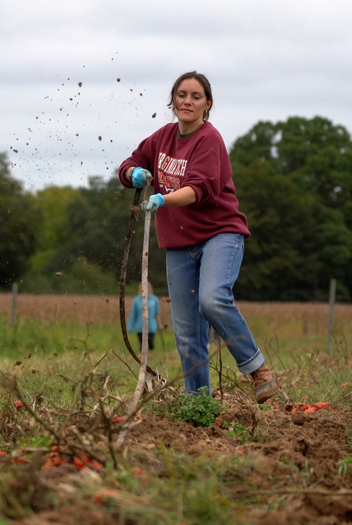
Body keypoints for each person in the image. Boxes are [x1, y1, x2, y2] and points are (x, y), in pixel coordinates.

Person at [117, 71, 280, 403]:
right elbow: (132, 161)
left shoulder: (209, 139)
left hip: (220, 234)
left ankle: (257, 369)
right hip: (178, 244)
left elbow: (200, 189)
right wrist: (132, 173)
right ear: (173, 101)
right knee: (187, 331)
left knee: (213, 299)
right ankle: (199, 404)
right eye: (181, 95)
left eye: (195, 96)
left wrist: (164, 199)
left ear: (207, 104)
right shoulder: (162, 138)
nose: (187, 101)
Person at [127, 282, 162, 350]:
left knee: (150, 343)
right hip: (140, 326)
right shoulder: (136, 300)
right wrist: (130, 326)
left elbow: (157, 313)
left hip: (151, 326)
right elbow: (133, 314)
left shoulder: (154, 299)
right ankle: (142, 358)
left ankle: (151, 356)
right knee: (142, 344)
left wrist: (159, 324)